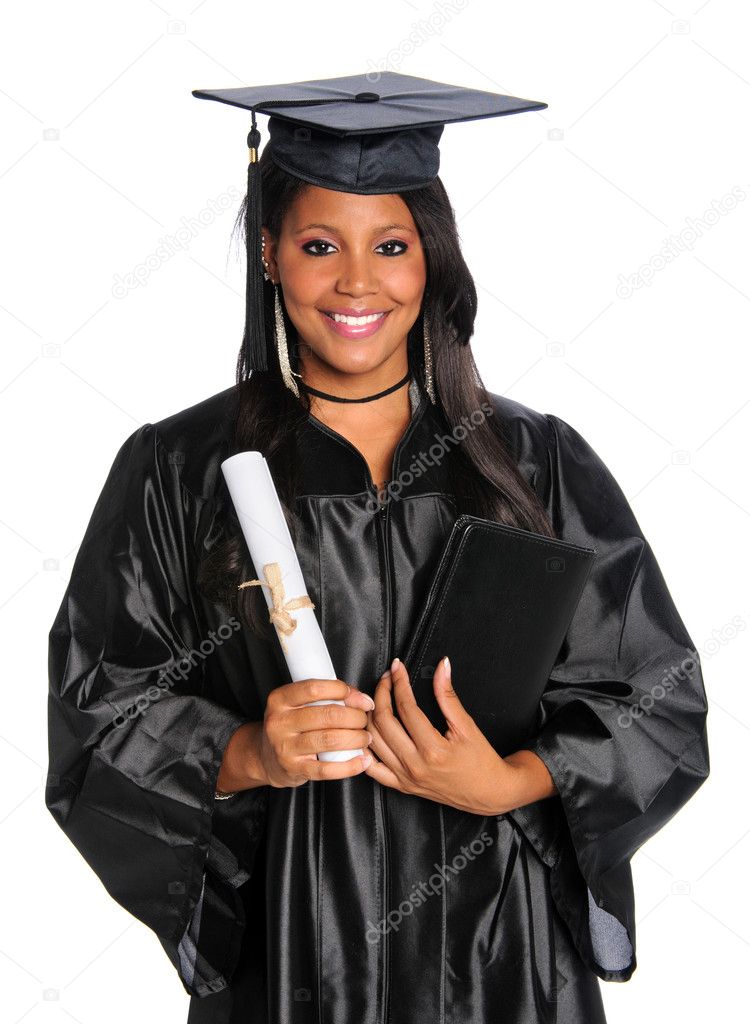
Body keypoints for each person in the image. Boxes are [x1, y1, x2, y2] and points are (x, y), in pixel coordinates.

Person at [45, 72, 710, 1024]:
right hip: (291, 950)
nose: (358, 282)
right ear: (269, 253)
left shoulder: (537, 461)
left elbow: (659, 699)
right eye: (320, 244)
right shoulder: (180, 469)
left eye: (392, 245)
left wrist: (511, 780)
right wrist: (244, 750)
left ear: (431, 260)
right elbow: (96, 709)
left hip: (502, 957)